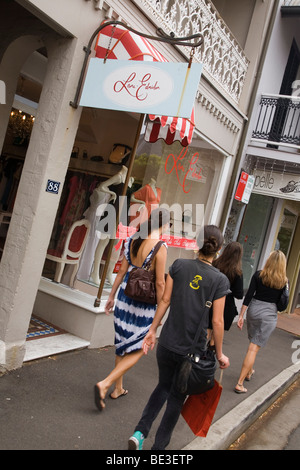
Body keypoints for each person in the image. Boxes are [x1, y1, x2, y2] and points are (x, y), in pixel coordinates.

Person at [128, 225, 230, 451]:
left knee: (162, 386)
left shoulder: (179, 265)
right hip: (190, 352)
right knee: (175, 397)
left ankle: (139, 432)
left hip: (167, 342)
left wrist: (153, 330)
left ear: (197, 243)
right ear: (219, 250)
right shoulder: (220, 280)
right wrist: (220, 354)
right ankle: (158, 449)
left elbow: (164, 300)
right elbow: (217, 322)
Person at [94, 208, 170, 410]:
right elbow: (160, 284)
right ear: (165, 224)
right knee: (139, 347)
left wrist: (110, 296)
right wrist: (160, 309)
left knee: (122, 344)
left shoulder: (133, 239)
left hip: (124, 298)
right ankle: (106, 383)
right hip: (144, 304)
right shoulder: (160, 247)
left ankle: (118, 388)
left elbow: (120, 271)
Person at [235, 250, 288, 394]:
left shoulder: (258, 275)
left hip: (254, 310)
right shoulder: (283, 281)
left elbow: (249, 295)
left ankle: (249, 370)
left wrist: (241, 315)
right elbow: (283, 305)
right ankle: (239, 383)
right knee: (253, 348)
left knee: (252, 343)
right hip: (269, 314)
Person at [208, 242, 244, 346]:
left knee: (206, 330)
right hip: (226, 306)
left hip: (210, 301)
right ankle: (208, 356)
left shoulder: (214, 264)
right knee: (215, 336)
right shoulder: (237, 272)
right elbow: (239, 294)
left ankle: (196, 354)